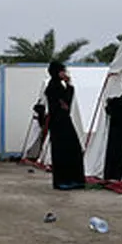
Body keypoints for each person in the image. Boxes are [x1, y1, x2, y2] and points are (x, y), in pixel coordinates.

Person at [44, 61, 86, 190]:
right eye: (62, 71)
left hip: (62, 121)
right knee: (63, 151)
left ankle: (72, 179)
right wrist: (68, 85)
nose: (64, 73)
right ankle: (64, 180)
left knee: (71, 149)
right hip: (59, 122)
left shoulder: (57, 85)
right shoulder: (54, 87)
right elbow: (65, 103)